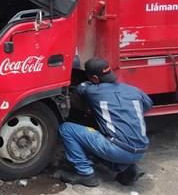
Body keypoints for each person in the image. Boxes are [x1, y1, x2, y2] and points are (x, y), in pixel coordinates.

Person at [57, 57, 153, 187]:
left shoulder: (92, 90)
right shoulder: (134, 90)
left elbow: (78, 93)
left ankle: (85, 174)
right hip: (140, 151)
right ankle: (125, 169)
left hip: (117, 150)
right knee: (101, 135)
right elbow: (147, 105)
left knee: (67, 129)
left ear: (95, 79)